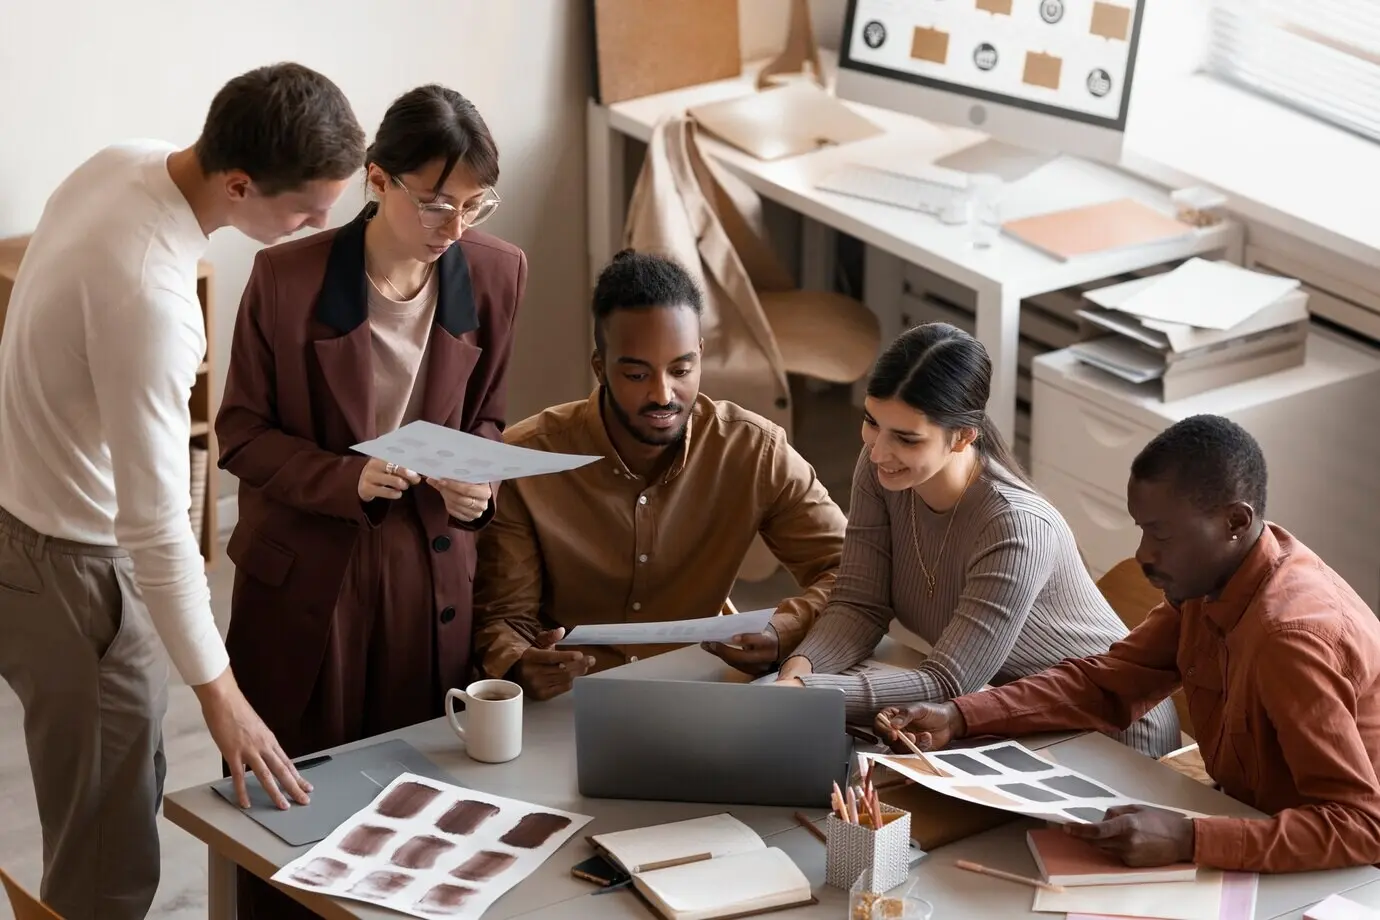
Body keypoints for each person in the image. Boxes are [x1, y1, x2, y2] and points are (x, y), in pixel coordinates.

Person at [0, 63, 364, 920]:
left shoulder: (121, 162)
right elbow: (158, 527)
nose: (321, 225)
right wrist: (224, 699)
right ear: (240, 184)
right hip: (76, 574)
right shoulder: (156, 297)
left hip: (14, 513)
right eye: (309, 209)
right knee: (107, 866)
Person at [215, 84, 523, 918]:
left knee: (424, 816)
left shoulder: (497, 272)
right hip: (312, 574)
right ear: (375, 181)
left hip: (430, 572)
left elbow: (487, 411)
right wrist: (341, 478)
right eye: (434, 202)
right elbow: (239, 433)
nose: (456, 227)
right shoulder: (285, 278)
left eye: (475, 203)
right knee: (296, 813)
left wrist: (479, 482)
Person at [876, 415, 1380, 873]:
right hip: (1249, 818)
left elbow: (1361, 826)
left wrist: (1192, 838)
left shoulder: (1290, 639)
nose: (1143, 554)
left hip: (1339, 869)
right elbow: (1105, 683)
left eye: (1161, 534)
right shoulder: (1211, 583)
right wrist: (960, 716)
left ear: (1235, 522)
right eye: (1142, 530)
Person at [773, 323, 1180, 759]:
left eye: (906, 438)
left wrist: (810, 693)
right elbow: (859, 603)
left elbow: (948, 682)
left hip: (1112, 736)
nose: (877, 451)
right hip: (1005, 717)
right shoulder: (883, 471)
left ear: (964, 436)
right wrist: (796, 672)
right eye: (872, 421)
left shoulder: (1016, 526)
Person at [472, 249, 846, 699]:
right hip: (571, 700)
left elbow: (849, 572)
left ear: (700, 357)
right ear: (600, 368)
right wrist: (518, 663)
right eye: (636, 374)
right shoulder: (525, 458)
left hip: (703, 688)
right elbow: (505, 617)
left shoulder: (754, 450)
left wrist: (783, 629)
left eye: (682, 370)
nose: (663, 394)